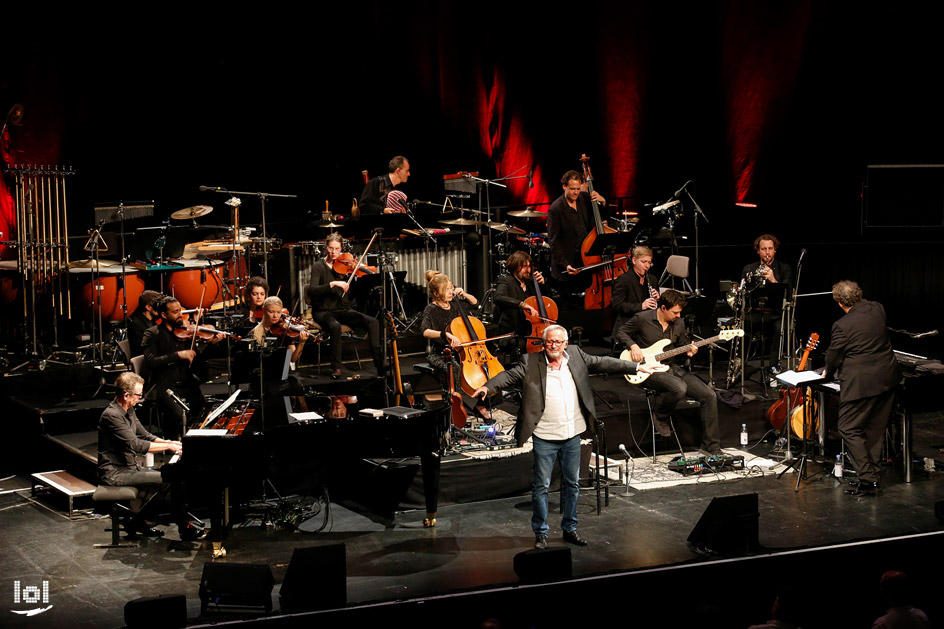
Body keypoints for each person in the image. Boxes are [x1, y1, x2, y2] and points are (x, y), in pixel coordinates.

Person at [472, 325, 646, 549]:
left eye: (558, 342)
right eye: (549, 342)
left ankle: (570, 529)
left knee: (572, 484)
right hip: (545, 436)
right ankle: (541, 533)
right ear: (544, 343)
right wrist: (488, 386)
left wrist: (637, 366)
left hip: (572, 434)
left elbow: (604, 362)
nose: (553, 346)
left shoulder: (576, 354)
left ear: (565, 343)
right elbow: (508, 375)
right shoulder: (530, 361)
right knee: (541, 486)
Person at [97, 371, 203, 540]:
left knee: (172, 479)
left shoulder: (128, 409)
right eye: (138, 395)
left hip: (130, 468)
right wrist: (168, 446)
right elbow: (136, 444)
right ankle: (183, 527)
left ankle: (138, 521)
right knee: (168, 480)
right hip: (115, 473)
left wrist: (170, 443)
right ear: (126, 395)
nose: (140, 398)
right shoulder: (112, 416)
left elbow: (145, 435)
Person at [615, 289, 722, 453]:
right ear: (663, 308)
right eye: (675, 312)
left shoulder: (679, 323)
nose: (678, 316)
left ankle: (711, 447)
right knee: (679, 388)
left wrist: (690, 351)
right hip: (647, 369)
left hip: (671, 367)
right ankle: (661, 416)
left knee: (709, 395)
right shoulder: (642, 318)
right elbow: (620, 332)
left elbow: (682, 344)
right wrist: (633, 345)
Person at [823, 280, 900, 496]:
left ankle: (867, 478)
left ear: (839, 303)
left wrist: (827, 371)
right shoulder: (877, 309)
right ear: (860, 295)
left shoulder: (842, 326)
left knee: (847, 427)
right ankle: (873, 476)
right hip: (887, 378)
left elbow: (834, 355)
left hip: (861, 383)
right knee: (875, 428)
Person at [142, 296, 224, 439]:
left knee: (202, 409)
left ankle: (192, 443)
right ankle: (176, 443)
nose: (180, 314)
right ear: (163, 315)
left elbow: (197, 360)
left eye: (180, 310)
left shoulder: (185, 332)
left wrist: (211, 344)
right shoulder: (152, 333)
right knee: (179, 414)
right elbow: (151, 362)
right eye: (175, 312)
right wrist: (178, 355)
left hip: (185, 381)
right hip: (164, 384)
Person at [305, 232, 383, 379]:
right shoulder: (318, 266)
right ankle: (336, 367)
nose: (334, 252)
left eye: (337, 249)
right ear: (326, 248)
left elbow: (352, 296)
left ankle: (380, 364)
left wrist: (360, 281)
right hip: (323, 311)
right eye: (330, 248)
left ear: (341, 249)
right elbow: (313, 290)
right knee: (335, 326)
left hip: (343, 309)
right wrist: (333, 283)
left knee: (373, 322)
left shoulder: (346, 267)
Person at [420, 270, 492, 418]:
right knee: (455, 368)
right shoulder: (431, 309)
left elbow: (475, 303)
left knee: (483, 369)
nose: (450, 292)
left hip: (462, 350)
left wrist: (464, 294)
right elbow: (425, 331)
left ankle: (481, 400)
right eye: (446, 289)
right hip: (440, 352)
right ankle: (463, 406)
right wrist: (443, 334)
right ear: (435, 293)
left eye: (451, 288)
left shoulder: (455, 304)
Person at [546, 170, 606, 295]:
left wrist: (603, 202)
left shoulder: (583, 198)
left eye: (578, 189)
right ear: (564, 187)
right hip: (569, 266)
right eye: (572, 189)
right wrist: (565, 264)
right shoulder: (555, 209)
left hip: (586, 262)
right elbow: (554, 241)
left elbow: (601, 217)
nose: (576, 192)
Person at [740, 234, 793, 372]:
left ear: (775, 250)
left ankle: (773, 365)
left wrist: (773, 279)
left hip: (774, 313)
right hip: (754, 312)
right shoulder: (749, 269)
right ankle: (741, 364)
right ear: (758, 250)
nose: (767, 252)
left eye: (770, 248)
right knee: (739, 325)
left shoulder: (784, 268)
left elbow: (787, 295)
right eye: (764, 249)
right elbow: (743, 293)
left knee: (780, 327)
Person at [493, 251, 546, 362]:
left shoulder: (531, 282)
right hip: (512, 331)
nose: (528, 270)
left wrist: (543, 284)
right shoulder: (506, 281)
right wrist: (521, 304)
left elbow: (546, 301)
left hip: (530, 330)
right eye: (523, 267)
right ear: (514, 266)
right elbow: (498, 297)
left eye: (529, 266)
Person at [611, 245, 659, 334]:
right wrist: (641, 306)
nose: (647, 266)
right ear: (634, 261)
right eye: (644, 262)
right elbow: (617, 305)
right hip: (629, 324)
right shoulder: (623, 279)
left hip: (648, 323)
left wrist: (658, 299)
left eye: (649, 262)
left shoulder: (652, 279)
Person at [252, 295, 310, 364]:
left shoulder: (284, 331)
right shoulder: (254, 332)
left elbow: (292, 358)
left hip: (282, 371)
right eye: (271, 312)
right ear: (263, 310)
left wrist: (301, 343)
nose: (275, 316)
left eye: (278, 312)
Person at [127, 290, 164, 358]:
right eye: (158, 306)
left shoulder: (153, 322)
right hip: (145, 362)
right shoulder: (136, 325)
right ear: (148, 307)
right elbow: (143, 350)